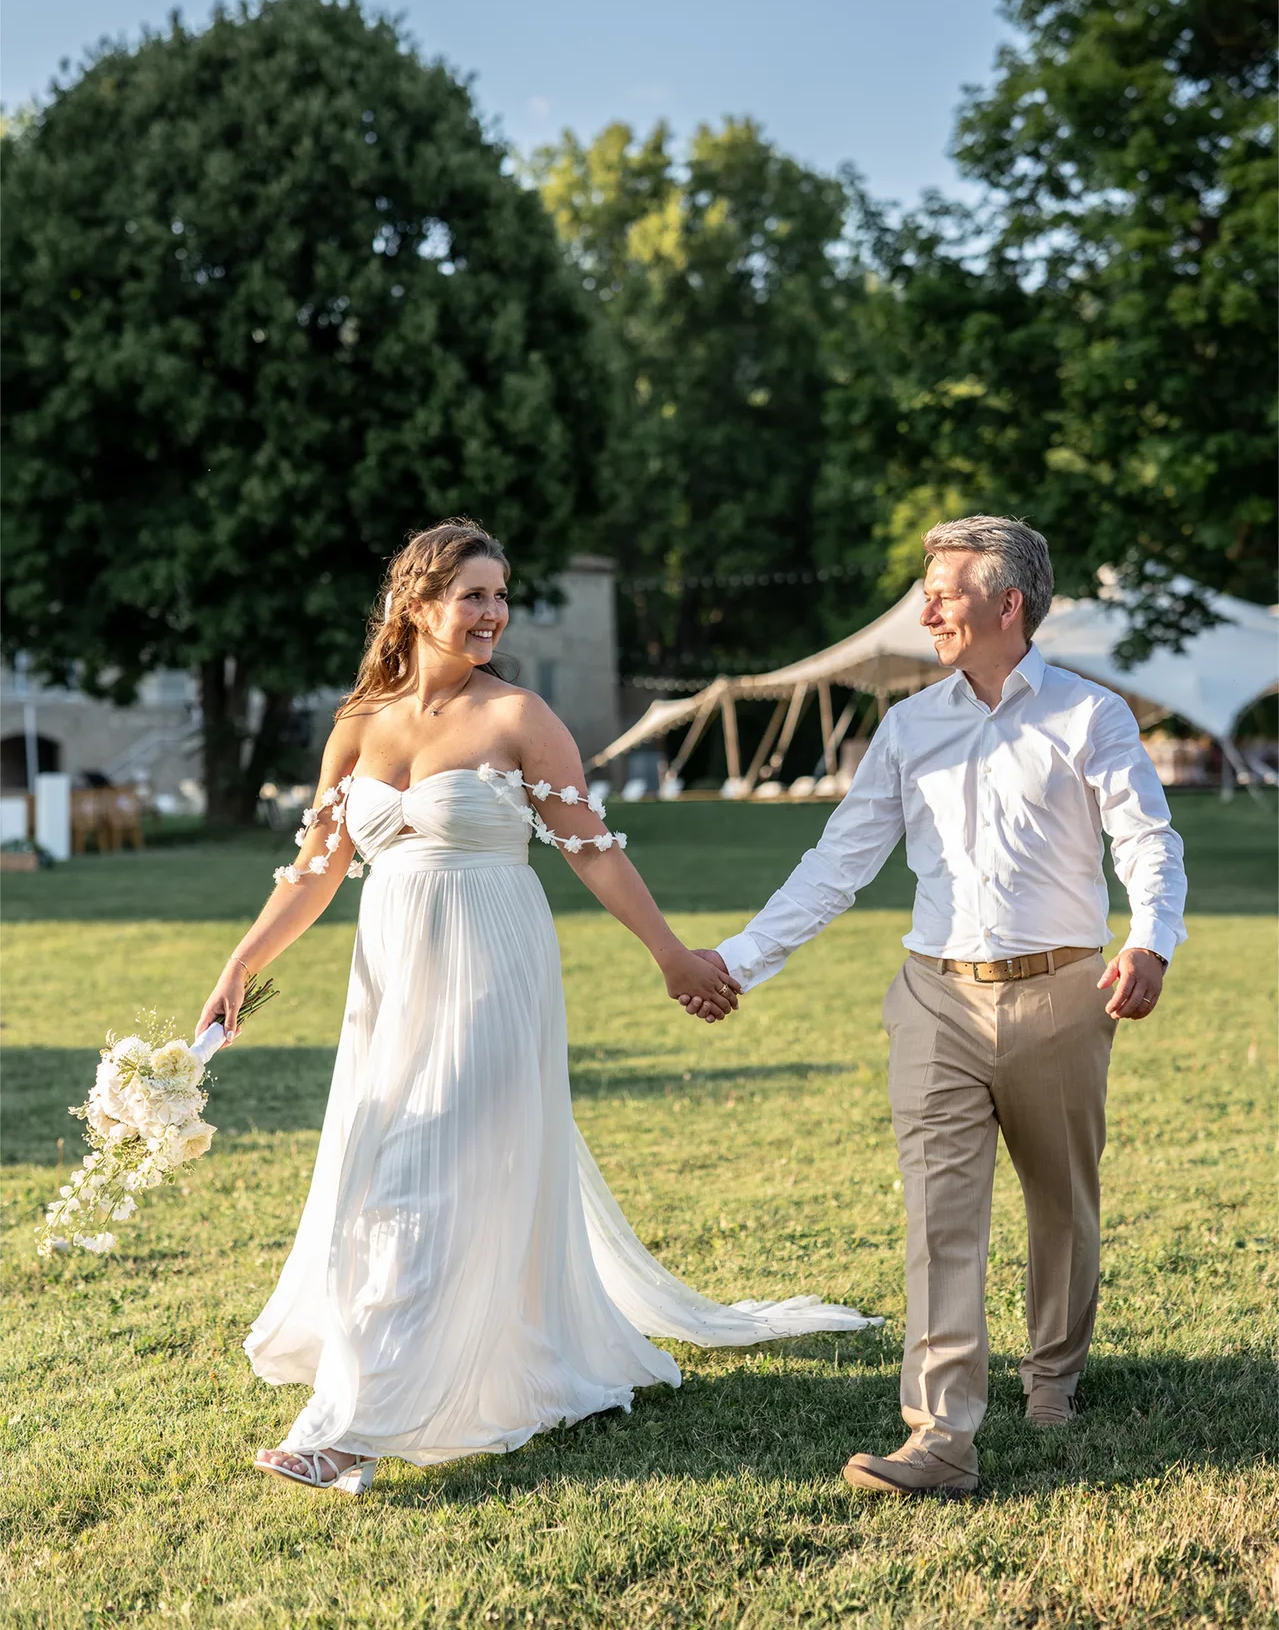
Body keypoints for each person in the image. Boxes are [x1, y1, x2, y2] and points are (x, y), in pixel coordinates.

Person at [197, 518, 879, 1495]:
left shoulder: (521, 719)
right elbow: (314, 870)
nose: (492, 613)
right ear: (417, 605)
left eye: (500, 595)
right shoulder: (357, 724)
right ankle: (493, 1358)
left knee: (419, 1175)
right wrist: (241, 959)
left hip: (491, 963)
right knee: (381, 1170)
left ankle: (346, 1433)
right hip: (391, 974)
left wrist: (669, 955)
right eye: (473, 594)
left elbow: (592, 850)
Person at [682, 516, 1187, 1497]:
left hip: (1063, 994)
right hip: (933, 1001)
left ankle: (1053, 1378)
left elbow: (1146, 840)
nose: (925, 610)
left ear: (1007, 605)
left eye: (943, 592)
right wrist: (738, 959)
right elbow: (839, 862)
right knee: (940, 1217)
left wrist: (1148, 939)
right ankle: (940, 1434)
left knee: (1062, 1206)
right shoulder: (909, 726)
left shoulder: (1092, 716)